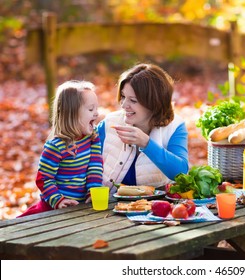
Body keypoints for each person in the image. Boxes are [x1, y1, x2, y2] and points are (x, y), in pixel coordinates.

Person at [97, 63, 189, 195]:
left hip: (153, 208)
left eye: (133, 100)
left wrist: (147, 143)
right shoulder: (109, 123)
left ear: (153, 103)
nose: (123, 105)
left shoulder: (175, 127)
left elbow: (181, 173)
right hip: (105, 208)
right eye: (123, 97)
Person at [18, 80, 103, 217]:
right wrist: (58, 200)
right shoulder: (56, 147)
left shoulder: (92, 138)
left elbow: (95, 166)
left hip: (80, 207)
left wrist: (93, 191)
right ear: (72, 114)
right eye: (91, 109)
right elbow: (44, 178)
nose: (96, 114)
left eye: (96, 109)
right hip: (54, 208)